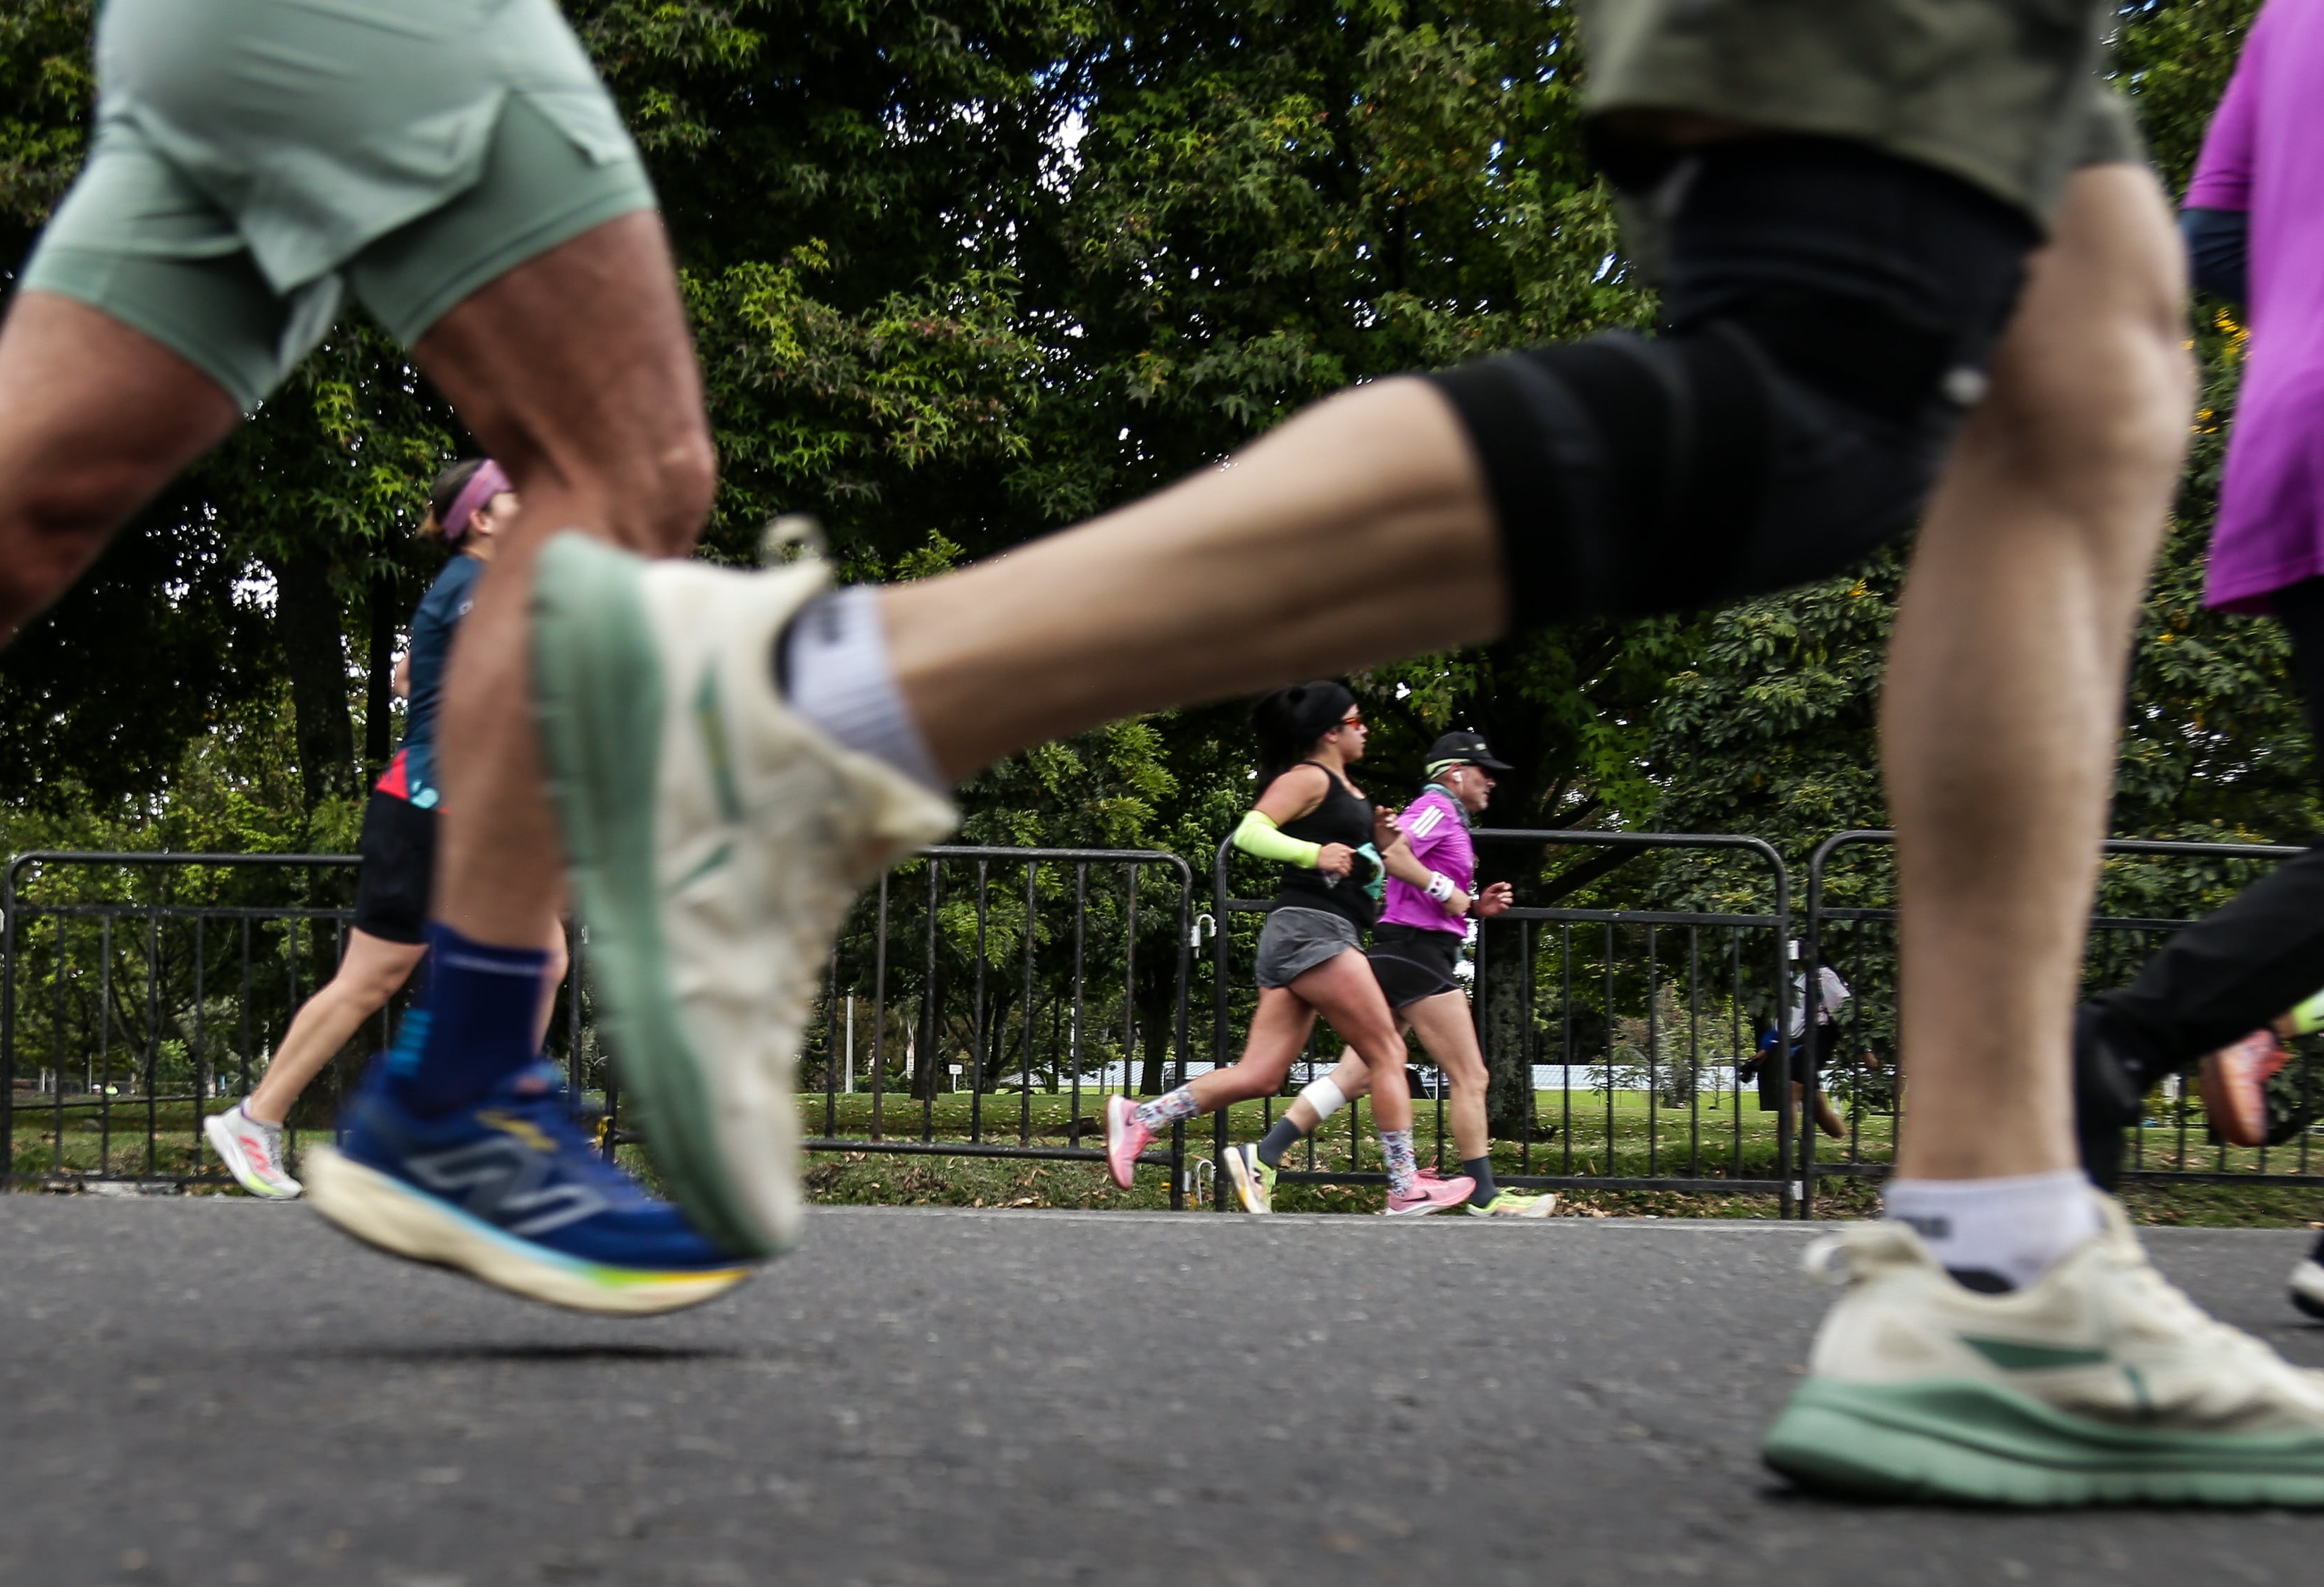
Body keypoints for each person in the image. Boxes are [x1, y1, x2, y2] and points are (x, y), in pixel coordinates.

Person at [518, 1, 2324, 1500]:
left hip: (1363, 939)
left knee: (2085, 358)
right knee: (1837, 380)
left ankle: (1995, 1256)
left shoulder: (1393, 801)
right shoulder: (1326, 787)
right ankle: (806, 709)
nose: (1389, 736)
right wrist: (1346, 859)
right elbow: (1259, 828)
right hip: (1331, 938)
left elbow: (2215, 246)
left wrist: (1395, 856)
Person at [0, 0, 757, 1312]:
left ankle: (383, 1103)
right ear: (478, 515)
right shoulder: (470, 592)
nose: (517, 506)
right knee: (633, 473)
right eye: (501, 495)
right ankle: (452, 1113)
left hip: (200, 32)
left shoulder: (462, 590)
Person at [2066, 0, 2324, 1324]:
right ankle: (2127, 1038)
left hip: (2295, 434)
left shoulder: (2288, 21)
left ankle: (2130, 1039)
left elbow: (2211, 241)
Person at [204, 460, 568, 1200]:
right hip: (438, 811)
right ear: (483, 520)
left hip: (436, 809)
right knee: (509, 962)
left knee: (393, 976)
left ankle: (263, 1118)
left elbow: (413, 674)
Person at [1103, 685, 1476, 1215]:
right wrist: (1314, 852)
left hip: (1314, 933)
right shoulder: (1309, 777)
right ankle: (1403, 1186)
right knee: (1388, 1053)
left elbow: (1367, 868)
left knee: (1261, 1074)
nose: (1365, 727)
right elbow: (1251, 832)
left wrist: (1379, 840)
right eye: (1357, 719)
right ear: (1331, 731)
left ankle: (1143, 1118)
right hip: (1312, 932)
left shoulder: (1351, 791)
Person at [1223, 730, 1553, 1216]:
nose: (1493, 783)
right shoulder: (1437, 806)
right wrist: (1451, 892)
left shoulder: (1450, 816)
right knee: (1470, 1074)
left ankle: (1263, 1156)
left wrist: (1473, 908)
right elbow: (1391, 856)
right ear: (1455, 772)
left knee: (1353, 1077)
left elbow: (1422, 879)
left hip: (1411, 950)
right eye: (1486, 773)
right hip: (1416, 955)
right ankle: (1484, 1195)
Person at [1742, 942, 1851, 1141]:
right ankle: (1845, 1141)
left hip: (1816, 1041)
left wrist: (1863, 1049)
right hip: (1795, 1046)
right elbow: (1785, 1022)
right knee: (1818, 1110)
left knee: (1788, 1095)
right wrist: (1766, 1049)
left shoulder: (1824, 977)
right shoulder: (1793, 983)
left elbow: (1845, 1012)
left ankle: (1783, 1150)